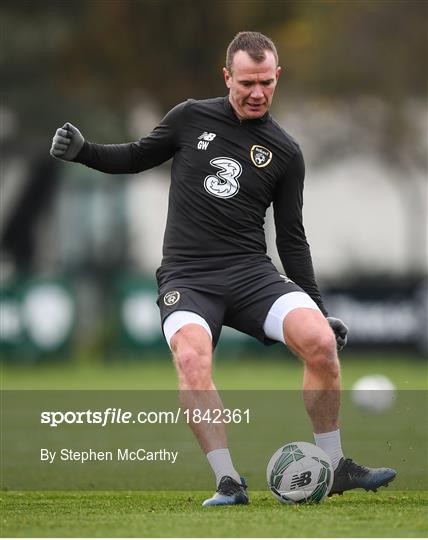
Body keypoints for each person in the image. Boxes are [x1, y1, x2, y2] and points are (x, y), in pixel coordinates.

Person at [50, 31, 396, 506]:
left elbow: (292, 238)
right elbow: (135, 156)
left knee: (318, 341)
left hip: (251, 273)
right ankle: (229, 482)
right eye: (247, 82)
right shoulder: (191, 116)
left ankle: (334, 465)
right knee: (192, 360)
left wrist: (317, 308)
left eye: (266, 83)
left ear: (278, 78)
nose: (257, 93)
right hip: (188, 277)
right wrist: (85, 152)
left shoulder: (286, 151)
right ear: (227, 76)